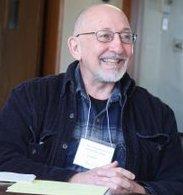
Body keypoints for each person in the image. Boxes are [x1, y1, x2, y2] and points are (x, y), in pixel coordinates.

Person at [0, 4, 183, 194]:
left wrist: (137, 190)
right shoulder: (31, 97)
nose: (118, 47)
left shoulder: (158, 113)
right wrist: (73, 179)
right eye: (105, 36)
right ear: (75, 47)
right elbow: (3, 158)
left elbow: (177, 184)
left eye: (126, 37)